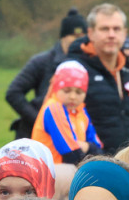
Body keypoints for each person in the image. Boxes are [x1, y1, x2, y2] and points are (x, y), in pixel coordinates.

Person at [64, 4, 129, 154]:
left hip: (127, 162)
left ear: (125, 33)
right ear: (91, 33)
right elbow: (59, 121)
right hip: (88, 165)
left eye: (117, 29)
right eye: (105, 29)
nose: (112, 34)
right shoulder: (74, 70)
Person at [6, 8, 89, 139]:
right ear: (63, 36)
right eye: (74, 36)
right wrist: (41, 119)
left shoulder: (89, 63)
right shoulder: (41, 61)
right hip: (36, 136)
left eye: (82, 37)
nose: (78, 41)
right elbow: (13, 93)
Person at [32, 61, 101, 165]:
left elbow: (98, 149)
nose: (73, 96)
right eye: (67, 91)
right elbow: (70, 153)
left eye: (79, 92)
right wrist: (87, 147)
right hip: (51, 173)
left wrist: (87, 146)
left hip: (69, 171)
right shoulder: (53, 108)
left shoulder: (81, 110)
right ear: (56, 89)